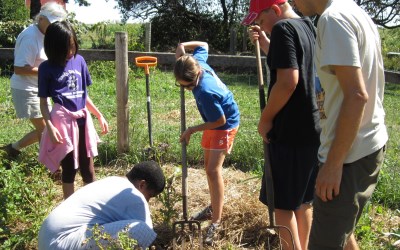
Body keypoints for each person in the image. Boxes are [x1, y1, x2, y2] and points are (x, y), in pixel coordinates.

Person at [292, 0, 388, 249]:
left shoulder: (332, 19)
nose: (292, 2)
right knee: (343, 236)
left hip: (348, 155)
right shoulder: (355, 12)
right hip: (365, 143)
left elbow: (357, 95)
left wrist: (333, 164)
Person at [242, 0, 321, 249]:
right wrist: (266, 43)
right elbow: (294, 61)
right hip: (312, 128)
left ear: (275, 10)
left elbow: (288, 80)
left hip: (289, 131)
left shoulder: (283, 29)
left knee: (283, 205)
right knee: (303, 201)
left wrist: (266, 119)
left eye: (262, 20)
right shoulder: (308, 26)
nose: (260, 25)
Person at [174, 41, 240, 245]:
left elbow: (219, 121)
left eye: (183, 86)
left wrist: (192, 129)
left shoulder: (204, 91)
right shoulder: (196, 62)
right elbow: (204, 44)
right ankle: (213, 206)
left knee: (213, 171)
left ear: (193, 80)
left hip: (224, 123)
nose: (183, 89)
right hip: (213, 121)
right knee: (207, 168)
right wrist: (182, 46)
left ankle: (216, 220)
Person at [38, 21, 109, 199]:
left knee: (88, 168)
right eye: (66, 49)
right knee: (69, 168)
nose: (70, 52)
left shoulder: (79, 61)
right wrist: (50, 126)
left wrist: (98, 114)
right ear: (54, 47)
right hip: (62, 123)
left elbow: (84, 95)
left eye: (72, 46)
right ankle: (69, 210)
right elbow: (43, 103)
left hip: (83, 121)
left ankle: (90, 205)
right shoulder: (46, 68)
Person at [38, 160, 166, 249]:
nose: (148, 201)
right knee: (141, 230)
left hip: (48, 241)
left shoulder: (111, 181)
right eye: (150, 196)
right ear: (142, 184)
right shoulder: (134, 195)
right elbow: (148, 237)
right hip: (62, 243)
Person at [0, 2, 67, 169]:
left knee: (48, 127)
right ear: (41, 18)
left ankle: (12, 149)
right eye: (52, 24)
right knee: (46, 129)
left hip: (41, 89)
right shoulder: (30, 36)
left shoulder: (47, 34)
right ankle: (51, 166)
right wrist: (49, 70)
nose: (54, 28)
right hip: (26, 89)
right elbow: (20, 68)